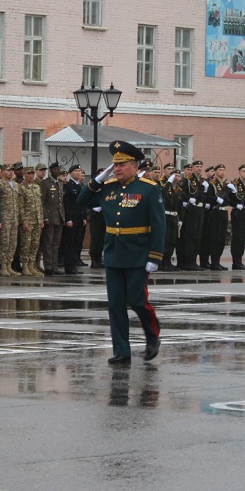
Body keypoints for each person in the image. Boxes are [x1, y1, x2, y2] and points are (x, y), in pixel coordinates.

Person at [78, 140, 166, 365]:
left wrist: (155, 256)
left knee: (137, 300)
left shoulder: (148, 188)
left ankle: (152, 334)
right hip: (114, 253)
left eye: (122, 164)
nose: (117, 169)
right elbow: (82, 200)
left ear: (135, 166)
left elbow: (158, 224)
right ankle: (121, 350)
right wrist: (98, 179)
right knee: (115, 303)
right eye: (114, 165)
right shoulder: (107, 188)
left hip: (138, 254)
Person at [229, 164, 245, 270]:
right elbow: (229, 200)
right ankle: (235, 262)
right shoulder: (235, 184)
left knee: (243, 237)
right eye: (243, 171)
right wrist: (236, 205)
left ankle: (240, 261)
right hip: (237, 213)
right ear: (239, 172)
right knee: (237, 238)